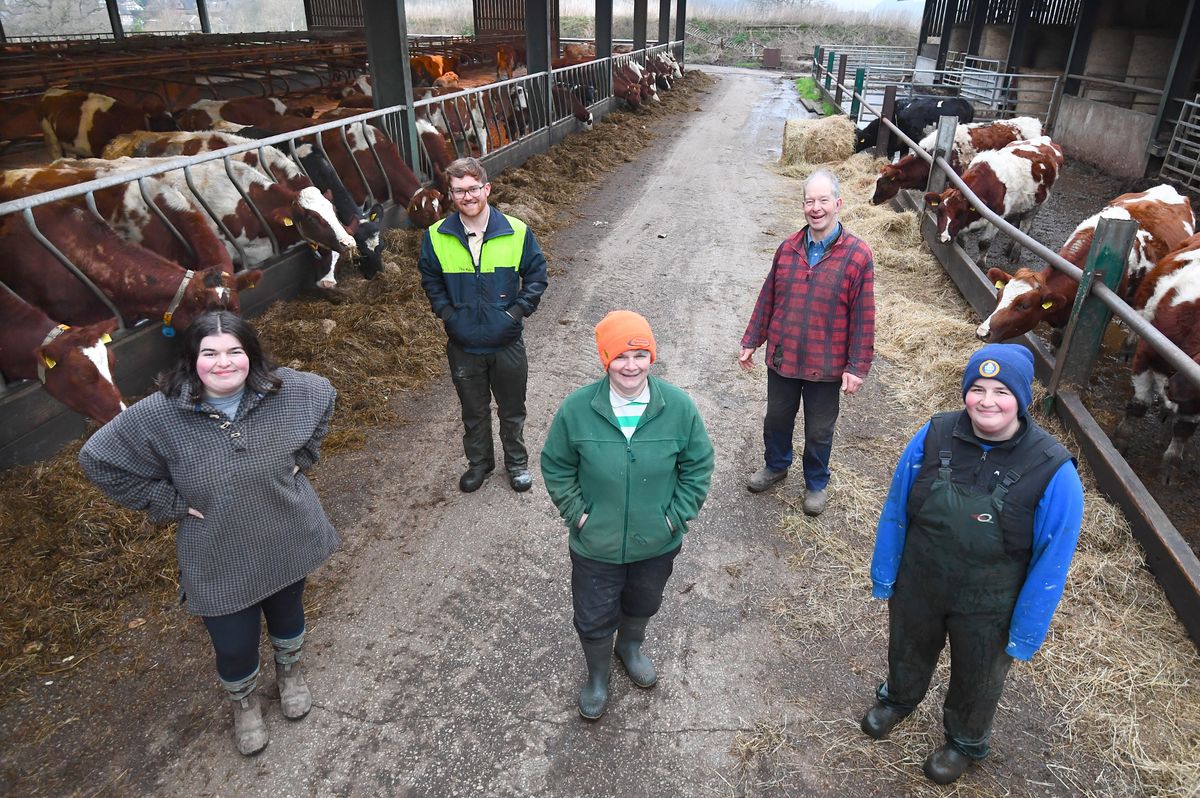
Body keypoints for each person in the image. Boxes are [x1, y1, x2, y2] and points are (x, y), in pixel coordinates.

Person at [79, 311, 339, 757]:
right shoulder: (160, 413)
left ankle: (290, 672)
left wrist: (306, 455)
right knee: (233, 643)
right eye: (210, 353)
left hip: (285, 528)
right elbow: (98, 459)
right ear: (191, 360)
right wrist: (167, 503)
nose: (224, 363)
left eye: (235, 351)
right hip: (216, 548)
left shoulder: (285, 390)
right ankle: (245, 704)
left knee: (286, 611)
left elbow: (326, 396)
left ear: (250, 356)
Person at [861, 343, 1084, 785]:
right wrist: (885, 572)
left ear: (1023, 399)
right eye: (977, 388)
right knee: (908, 644)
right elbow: (896, 508)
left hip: (990, 600)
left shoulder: (1052, 468)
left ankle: (964, 739)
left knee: (978, 672)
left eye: (1001, 391)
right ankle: (899, 698)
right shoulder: (935, 435)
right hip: (921, 580)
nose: (986, 401)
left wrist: (1026, 630)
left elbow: (1052, 560)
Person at [541, 311, 714, 720]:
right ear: (605, 359)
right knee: (593, 613)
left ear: (652, 357)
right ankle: (597, 676)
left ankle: (630, 646)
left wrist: (674, 518)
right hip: (595, 543)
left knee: (644, 600)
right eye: (621, 356)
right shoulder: (577, 409)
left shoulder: (678, 407)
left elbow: (698, 466)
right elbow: (556, 466)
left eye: (640, 354)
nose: (631, 365)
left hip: (656, 541)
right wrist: (579, 515)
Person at [738, 168, 875, 516]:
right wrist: (752, 340)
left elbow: (864, 316)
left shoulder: (858, 255)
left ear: (838, 203)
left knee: (819, 430)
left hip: (826, 364)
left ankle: (816, 482)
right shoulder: (788, 249)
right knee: (777, 419)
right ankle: (776, 465)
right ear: (803, 206)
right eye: (809, 201)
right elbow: (768, 297)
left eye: (823, 200)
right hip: (784, 356)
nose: (816, 208)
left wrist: (857, 366)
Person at [418, 156, 549, 493]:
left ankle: (517, 463)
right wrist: (448, 314)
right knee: (473, 412)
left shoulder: (516, 231)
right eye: (459, 191)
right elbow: (430, 279)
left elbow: (536, 275)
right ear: (451, 194)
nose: (468, 196)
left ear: (486, 188)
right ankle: (479, 465)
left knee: (512, 408)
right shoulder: (436, 236)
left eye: (473, 188)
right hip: (463, 345)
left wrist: (515, 314)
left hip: (506, 342)